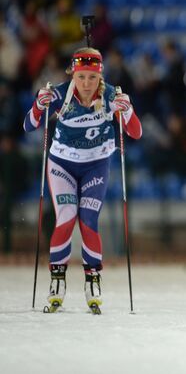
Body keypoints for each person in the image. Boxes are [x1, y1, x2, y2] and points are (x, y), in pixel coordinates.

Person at [23, 47, 142, 312]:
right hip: (61, 164)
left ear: (100, 76)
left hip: (96, 166)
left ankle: (93, 283)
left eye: (91, 77)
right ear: (72, 75)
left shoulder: (112, 95)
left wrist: (128, 110)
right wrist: (38, 105)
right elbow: (28, 125)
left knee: (88, 221)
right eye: (81, 77)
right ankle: (57, 282)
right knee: (66, 218)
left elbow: (135, 132)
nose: (86, 84)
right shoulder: (59, 94)